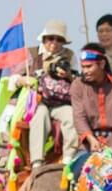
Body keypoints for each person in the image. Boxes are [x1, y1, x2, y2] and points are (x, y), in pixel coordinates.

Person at [28, 20, 79, 168]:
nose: (54, 42)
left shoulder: (70, 56)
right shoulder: (32, 53)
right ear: (44, 39)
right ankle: (37, 162)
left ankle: (68, 158)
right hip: (39, 101)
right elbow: (13, 78)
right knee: (39, 117)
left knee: (72, 116)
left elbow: (79, 81)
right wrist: (25, 80)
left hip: (62, 101)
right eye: (51, 38)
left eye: (59, 39)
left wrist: (68, 75)